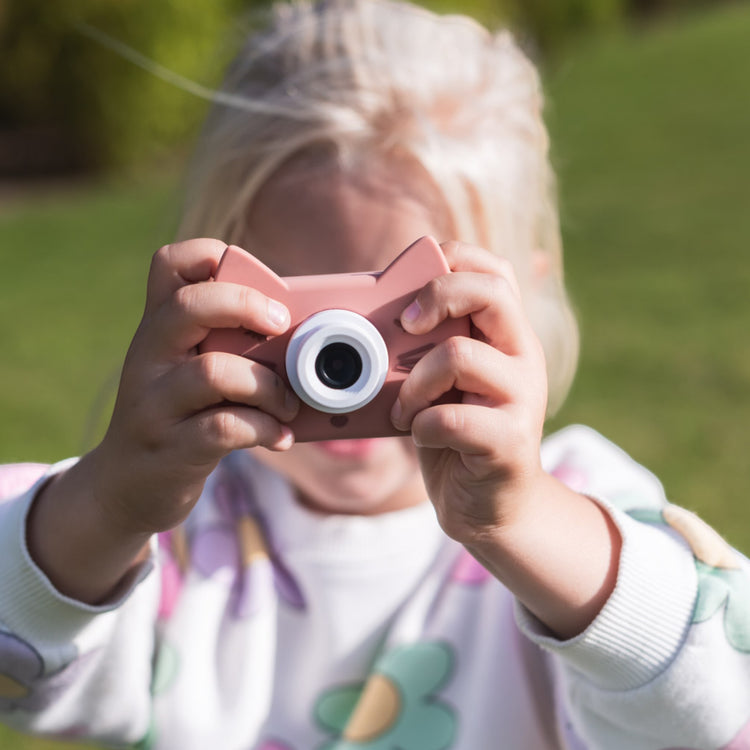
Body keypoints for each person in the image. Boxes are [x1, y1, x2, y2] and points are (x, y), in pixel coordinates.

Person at [1, 1, 749, 748]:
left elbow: (718, 703)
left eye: (412, 314)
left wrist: (525, 524)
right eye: (295, 316)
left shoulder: (574, 507)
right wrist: (108, 503)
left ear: (522, 302)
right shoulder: (173, 532)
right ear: (208, 298)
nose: (338, 368)